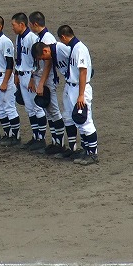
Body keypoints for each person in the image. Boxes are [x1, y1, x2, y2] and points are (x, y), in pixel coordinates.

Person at [55, 24, 99, 165]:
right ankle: (86, 150)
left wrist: (81, 95)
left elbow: (83, 72)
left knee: (85, 122)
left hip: (81, 89)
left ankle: (93, 154)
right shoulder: (74, 48)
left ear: (63, 37)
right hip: (72, 87)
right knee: (75, 120)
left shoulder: (80, 49)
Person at [29, 12, 65, 154]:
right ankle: (55, 141)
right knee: (49, 112)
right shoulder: (41, 37)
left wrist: (41, 83)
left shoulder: (47, 38)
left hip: (48, 79)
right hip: (43, 78)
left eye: (30, 25)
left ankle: (60, 144)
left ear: (35, 24)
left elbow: (48, 63)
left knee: (54, 111)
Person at [11, 12, 47, 150]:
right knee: (29, 109)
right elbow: (18, 57)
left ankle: (41, 139)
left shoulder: (33, 38)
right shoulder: (19, 38)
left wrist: (32, 77)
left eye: (14, 25)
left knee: (37, 108)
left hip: (31, 76)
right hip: (21, 75)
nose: (12, 28)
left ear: (22, 24)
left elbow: (38, 60)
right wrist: (16, 73)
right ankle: (35, 136)